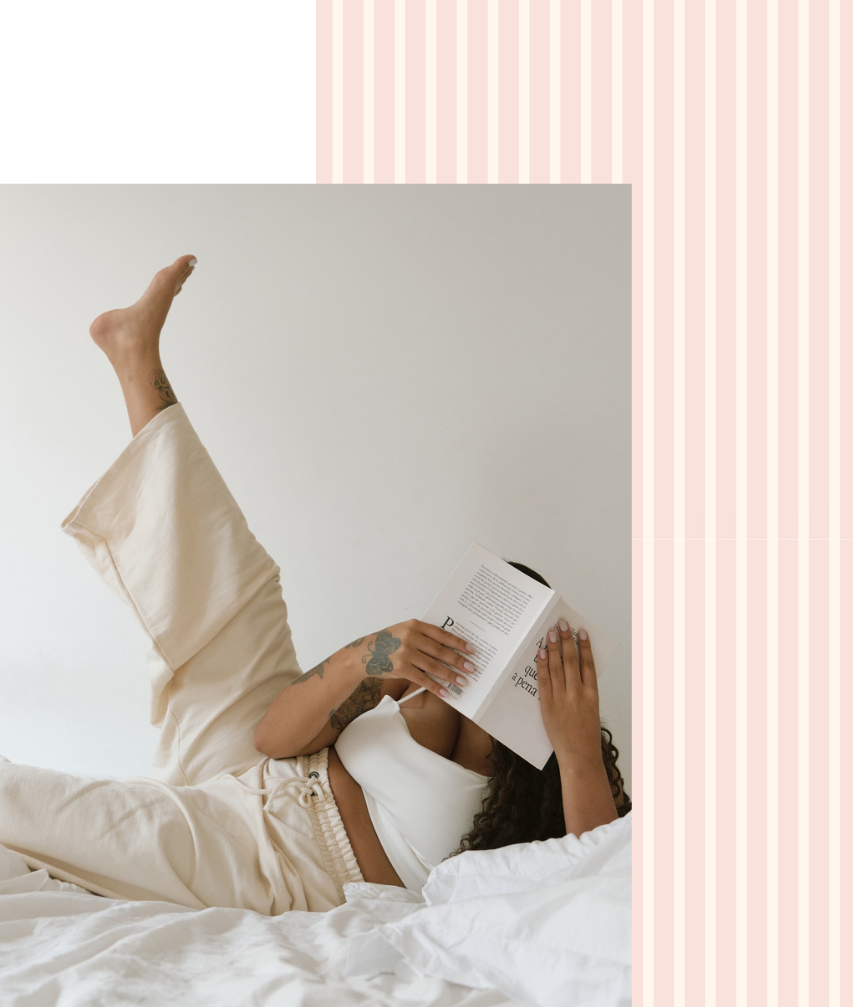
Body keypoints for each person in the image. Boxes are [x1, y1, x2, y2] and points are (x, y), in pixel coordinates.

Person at [0, 255, 631, 913]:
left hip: (271, 858)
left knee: (26, 804)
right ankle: (136, 357)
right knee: (236, 585)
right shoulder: (423, 695)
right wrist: (373, 657)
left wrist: (578, 746)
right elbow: (271, 738)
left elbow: (603, 890)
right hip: (264, 767)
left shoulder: (560, 788)